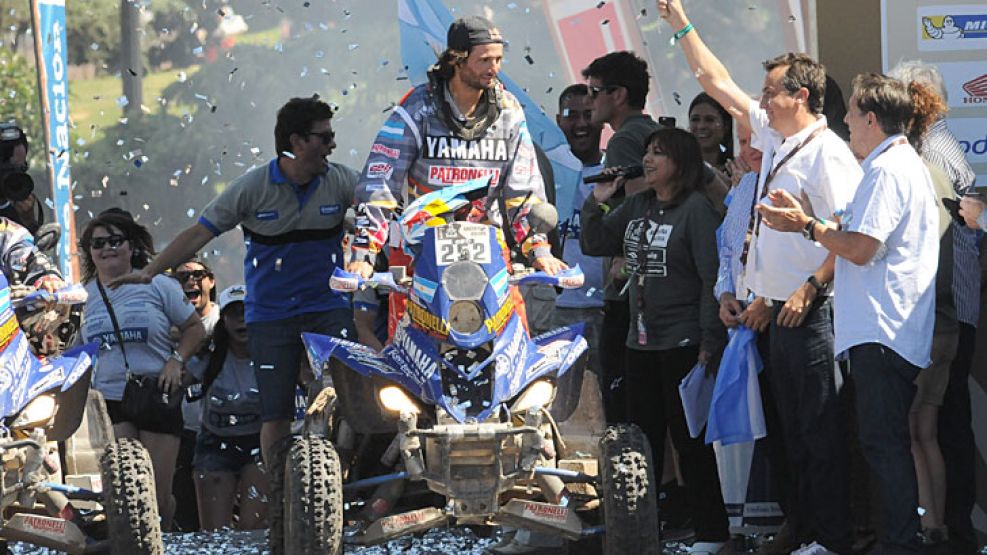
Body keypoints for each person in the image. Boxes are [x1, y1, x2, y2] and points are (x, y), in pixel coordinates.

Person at [657, 2, 863, 553]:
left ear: (801, 97)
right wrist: (680, 21)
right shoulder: (776, 141)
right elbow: (713, 80)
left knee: (820, 433)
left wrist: (808, 287)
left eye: (772, 92)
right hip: (771, 313)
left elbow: (849, 237)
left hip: (812, 313)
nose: (762, 101)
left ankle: (834, 539)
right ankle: (804, 533)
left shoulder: (828, 155)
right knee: (789, 434)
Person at [108, 96, 358, 471]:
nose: (332, 145)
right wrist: (150, 271)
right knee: (274, 414)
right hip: (272, 316)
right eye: (324, 138)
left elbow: (384, 211)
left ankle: (339, 481)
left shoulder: (341, 180)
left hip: (329, 308)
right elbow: (198, 234)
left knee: (347, 400)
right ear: (297, 141)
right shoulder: (252, 187)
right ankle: (279, 495)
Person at [758, 73, 941, 555]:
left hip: (883, 332)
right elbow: (856, 233)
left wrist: (807, 225)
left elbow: (860, 249)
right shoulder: (894, 164)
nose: (845, 122)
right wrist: (821, 226)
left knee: (884, 450)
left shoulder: (888, 169)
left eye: (852, 114)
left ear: (872, 118)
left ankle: (901, 546)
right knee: (881, 448)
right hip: (886, 331)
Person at [581, 127, 729, 553]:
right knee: (641, 444)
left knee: (689, 443)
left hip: (682, 341)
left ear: (679, 164)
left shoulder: (696, 210)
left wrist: (708, 339)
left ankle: (713, 533)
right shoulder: (638, 205)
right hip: (638, 342)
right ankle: (645, 530)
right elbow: (595, 241)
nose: (648, 160)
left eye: (659, 154)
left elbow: (710, 279)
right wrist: (600, 199)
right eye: (647, 152)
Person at [347, 16, 562, 291]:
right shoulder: (418, 107)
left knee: (513, 331)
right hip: (421, 250)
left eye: (498, 59)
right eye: (484, 60)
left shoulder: (508, 110)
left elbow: (524, 187)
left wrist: (539, 249)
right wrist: (365, 251)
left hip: (487, 253)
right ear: (457, 60)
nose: (493, 68)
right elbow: (380, 179)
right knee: (412, 333)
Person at [891, 60, 981, 555]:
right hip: (952, 308)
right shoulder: (935, 149)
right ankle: (947, 530)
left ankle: (950, 531)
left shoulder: (933, 153)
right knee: (937, 426)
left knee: (940, 426)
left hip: (944, 311)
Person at [79, 210, 206, 530]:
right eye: (97, 243)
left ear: (131, 245)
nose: (106, 248)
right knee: (123, 492)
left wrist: (176, 360)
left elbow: (195, 329)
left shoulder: (159, 283)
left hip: (156, 392)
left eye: (114, 240)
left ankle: (164, 535)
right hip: (109, 396)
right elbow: (76, 346)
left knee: (156, 493)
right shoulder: (83, 296)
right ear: (89, 251)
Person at [188, 284, 269, 531]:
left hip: (260, 444)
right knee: (214, 533)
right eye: (234, 313)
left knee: (252, 531)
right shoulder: (209, 355)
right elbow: (178, 380)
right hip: (215, 444)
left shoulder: (274, 353)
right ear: (223, 320)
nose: (241, 319)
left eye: (247, 310)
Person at [552, 84, 606, 399]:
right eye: (573, 115)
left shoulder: (615, 169)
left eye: (588, 114)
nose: (581, 123)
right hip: (557, 310)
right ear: (559, 120)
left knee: (606, 398)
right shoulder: (542, 169)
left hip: (602, 308)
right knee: (554, 401)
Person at [170, 256, 220, 532]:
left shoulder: (228, 320)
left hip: (226, 430)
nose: (190, 281)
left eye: (198, 275)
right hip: (182, 432)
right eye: (180, 278)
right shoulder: (163, 327)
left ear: (211, 281)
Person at [0, 122, 44, 235]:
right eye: (5, 170)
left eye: (19, 169)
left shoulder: (17, 210)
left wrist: (29, 222)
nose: (11, 177)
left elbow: (27, 249)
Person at [689, 92, 733, 174]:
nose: (701, 126)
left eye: (709, 120)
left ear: (726, 126)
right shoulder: (678, 171)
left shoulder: (737, 172)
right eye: (695, 119)